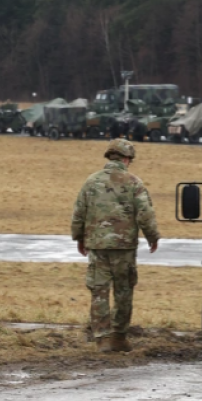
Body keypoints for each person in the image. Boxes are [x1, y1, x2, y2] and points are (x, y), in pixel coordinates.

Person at [72, 139, 160, 353]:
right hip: (124, 247)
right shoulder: (134, 182)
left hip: (98, 245)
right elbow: (145, 213)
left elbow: (79, 212)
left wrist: (79, 238)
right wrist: (152, 236)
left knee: (99, 291)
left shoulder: (91, 181)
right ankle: (119, 337)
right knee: (123, 291)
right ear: (127, 159)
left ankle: (102, 338)